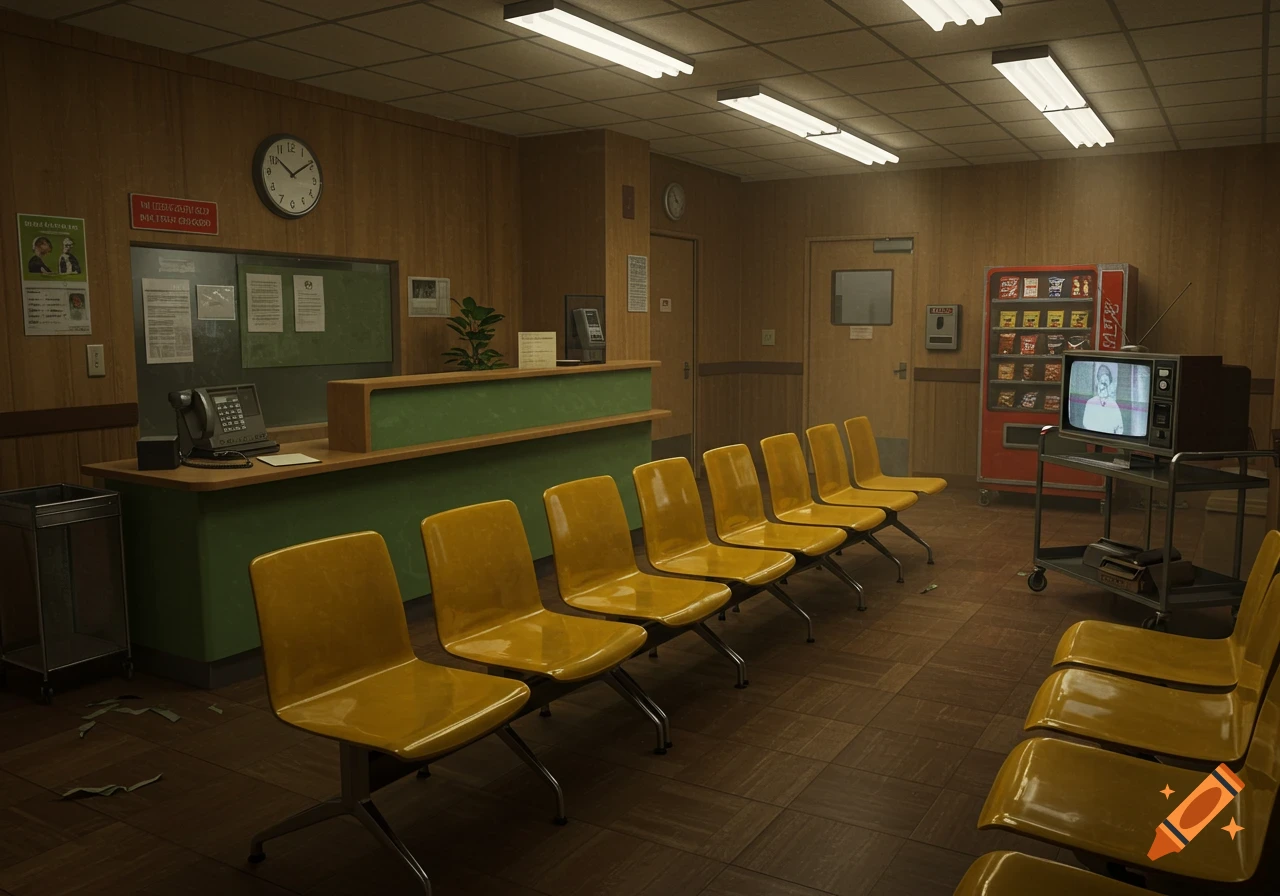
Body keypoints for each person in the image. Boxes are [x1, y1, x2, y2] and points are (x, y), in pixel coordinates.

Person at [1082, 363, 1124, 434]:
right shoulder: (1090, 402)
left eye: (1106, 382)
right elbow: (1085, 424)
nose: (1103, 386)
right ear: (1098, 384)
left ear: (1109, 385)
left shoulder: (1114, 405)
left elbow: (1120, 428)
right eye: (1101, 382)